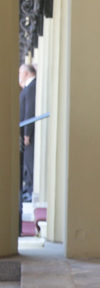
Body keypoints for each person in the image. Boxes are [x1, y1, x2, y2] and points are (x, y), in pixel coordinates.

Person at [19, 63, 37, 201]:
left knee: (30, 162)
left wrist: (26, 133)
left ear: (25, 73)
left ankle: (31, 190)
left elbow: (29, 111)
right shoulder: (29, 87)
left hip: (29, 134)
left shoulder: (31, 87)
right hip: (26, 132)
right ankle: (28, 189)